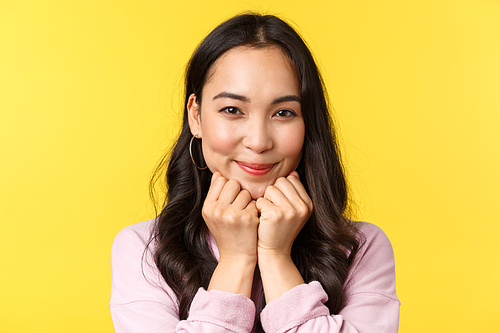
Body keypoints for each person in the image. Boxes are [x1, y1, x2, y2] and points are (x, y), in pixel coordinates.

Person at [109, 13, 399, 333]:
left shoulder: (362, 247)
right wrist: (236, 260)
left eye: (283, 112)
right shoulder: (143, 249)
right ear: (196, 116)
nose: (259, 141)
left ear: (307, 123)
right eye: (232, 110)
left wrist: (276, 258)